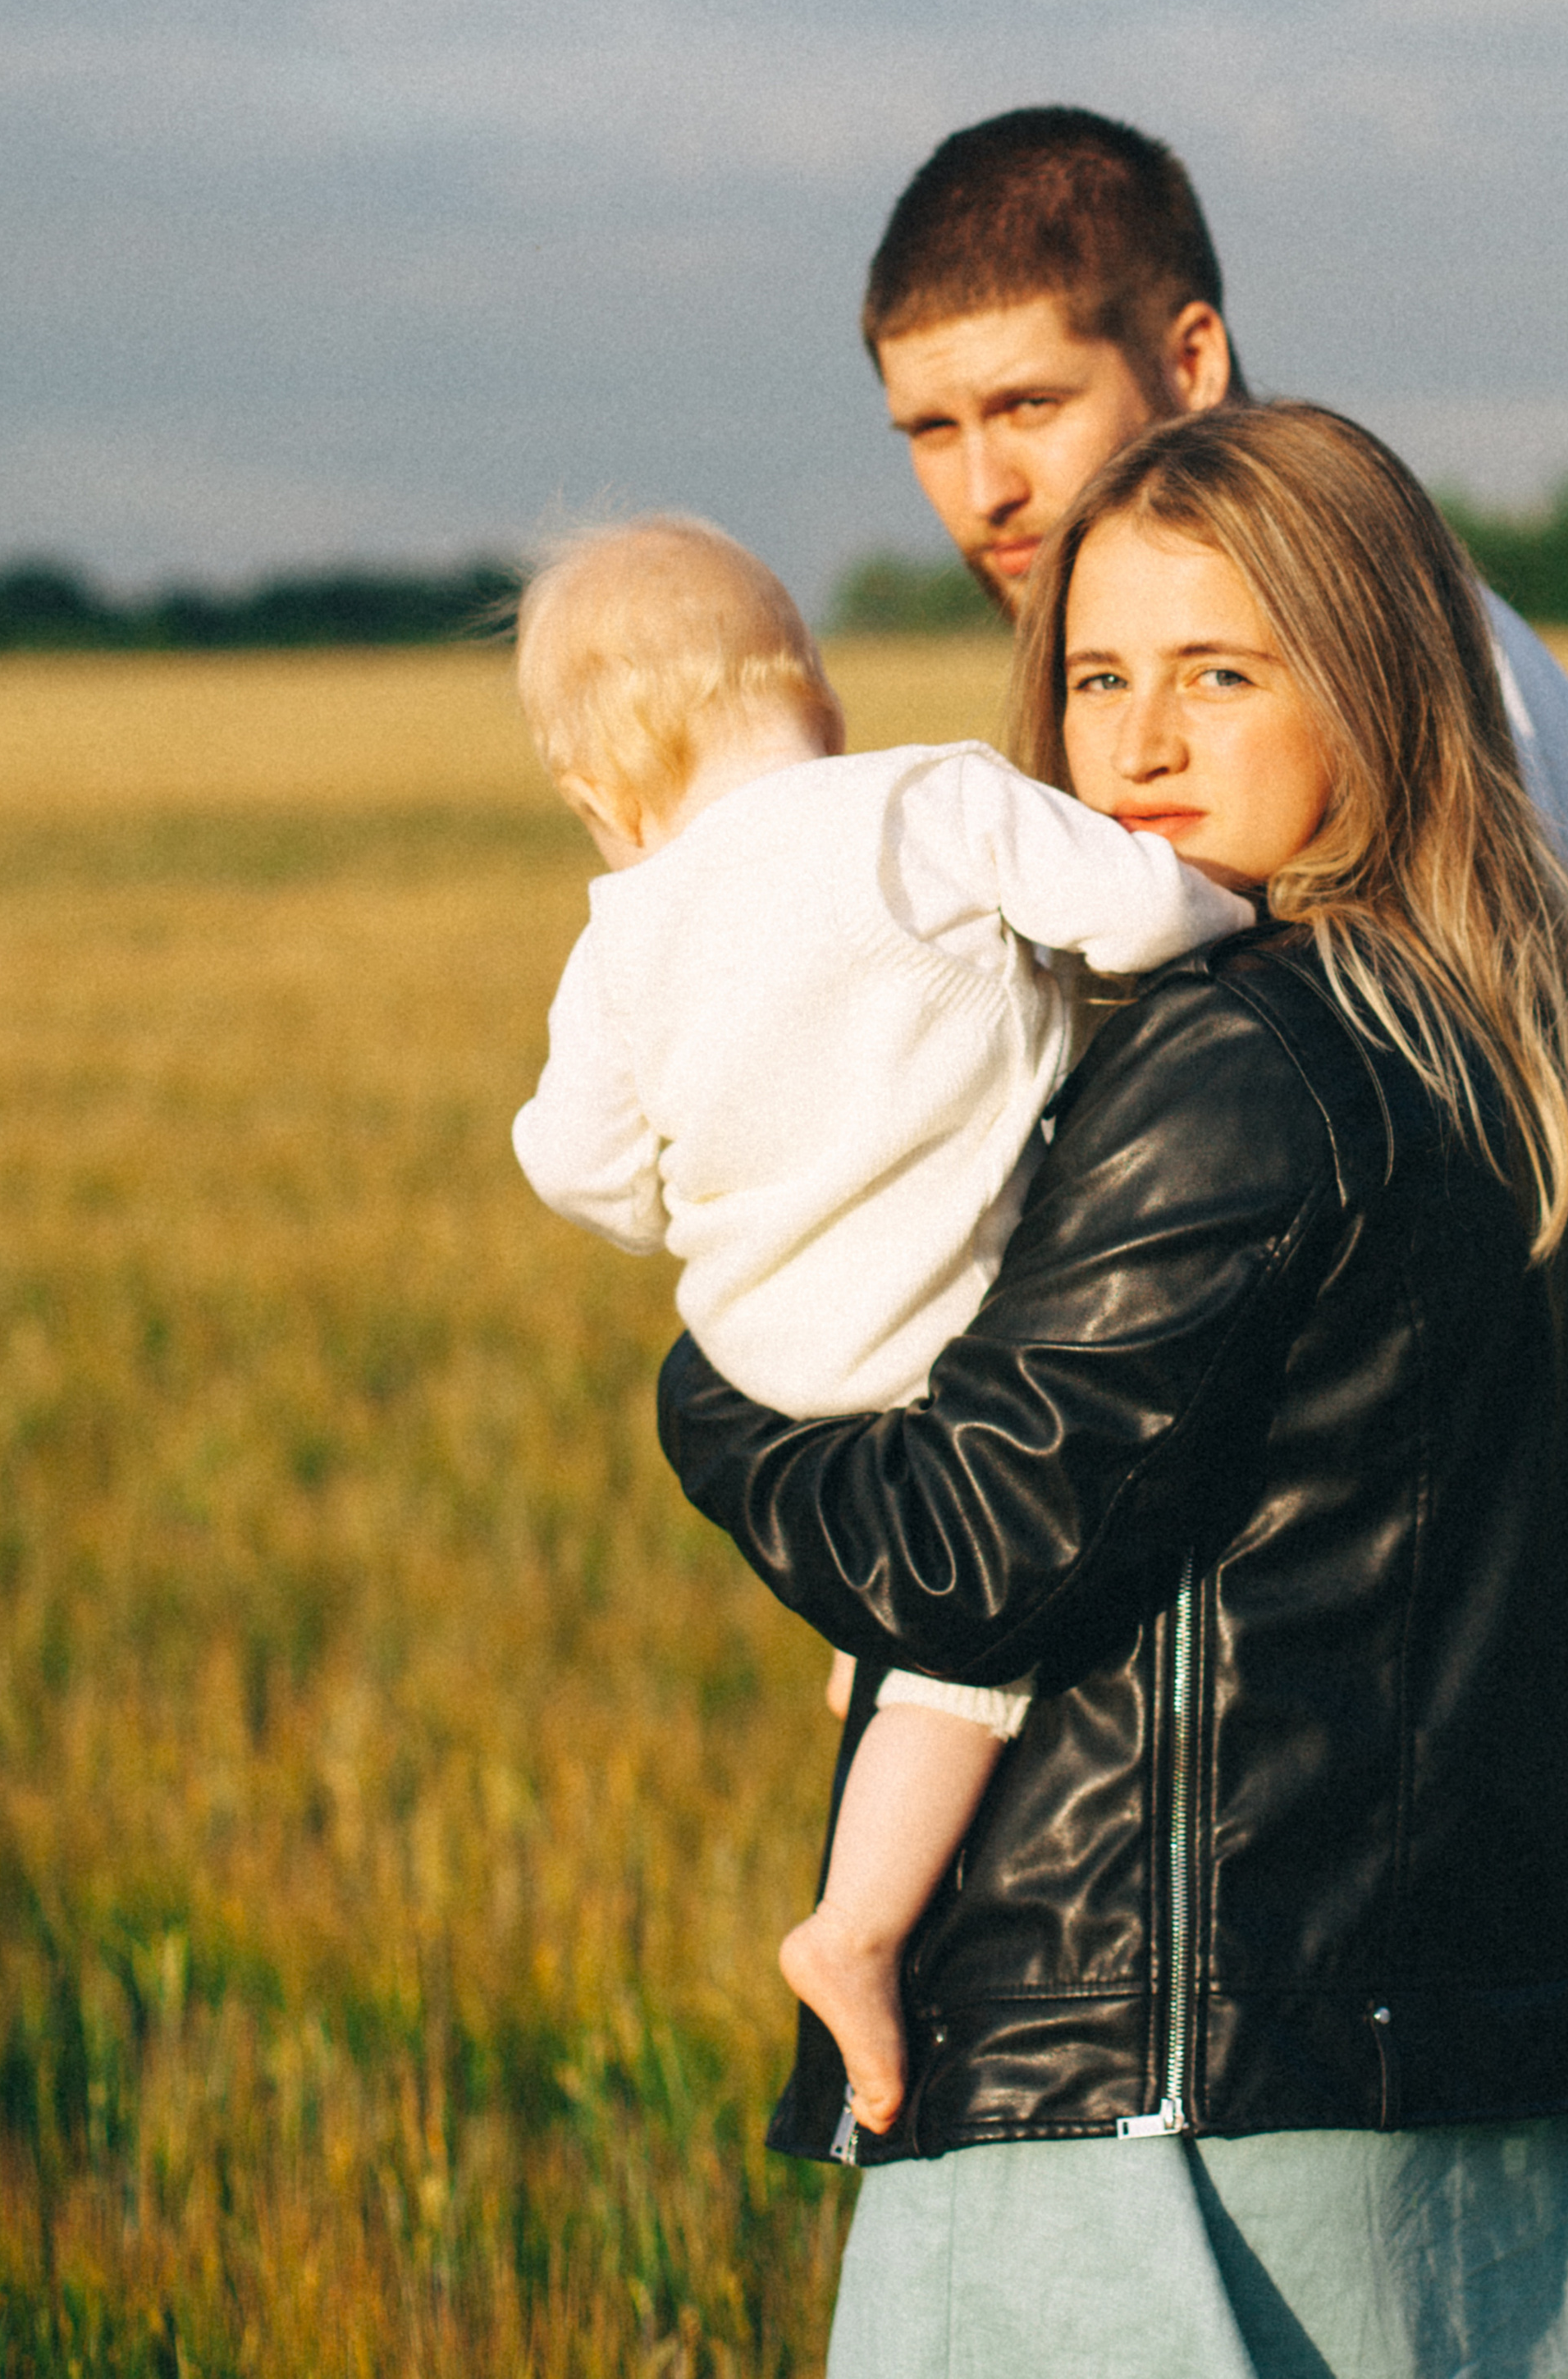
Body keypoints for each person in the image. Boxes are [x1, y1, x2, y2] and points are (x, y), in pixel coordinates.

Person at [661, 404, 1568, 2377]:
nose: (1133, 743)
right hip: (1487, 2080)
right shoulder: (1521, 1033)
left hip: (1153, 2077)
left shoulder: (1239, 1056)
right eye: (1091, 677)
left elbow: (966, 1550)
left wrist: (712, 1381)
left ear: (1383, 690)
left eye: (1218, 673)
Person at [508, 515, 1251, 2139]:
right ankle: (851, 1928)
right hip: (928, 1345)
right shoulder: (928, 800)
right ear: (812, 690)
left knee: (894, 1593)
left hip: (760, 1354)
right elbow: (1143, 912)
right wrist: (1230, 936)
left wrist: (692, 1212)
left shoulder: (623, 928)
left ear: (600, 801)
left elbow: (566, 1159)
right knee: (969, 1652)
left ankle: (862, 1651)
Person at [863, 104, 1568, 954]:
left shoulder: (1441, 677)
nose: (983, 491)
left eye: (1032, 406)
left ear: (1191, 361)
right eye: (932, 430)